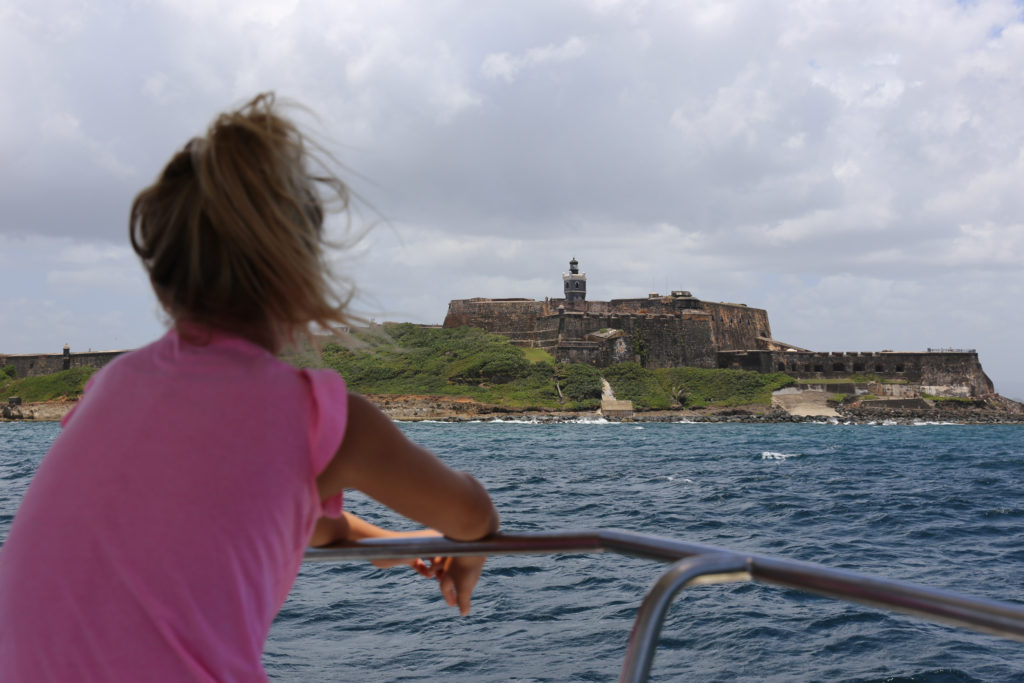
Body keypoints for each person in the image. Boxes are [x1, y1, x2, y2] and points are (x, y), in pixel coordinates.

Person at [0, 93, 500, 681]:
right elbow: (470, 513)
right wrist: (469, 548)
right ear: (300, 273)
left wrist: (384, 540)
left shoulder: (110, 385)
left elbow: (266, 511)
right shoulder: (317, 414)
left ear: (162, 278)